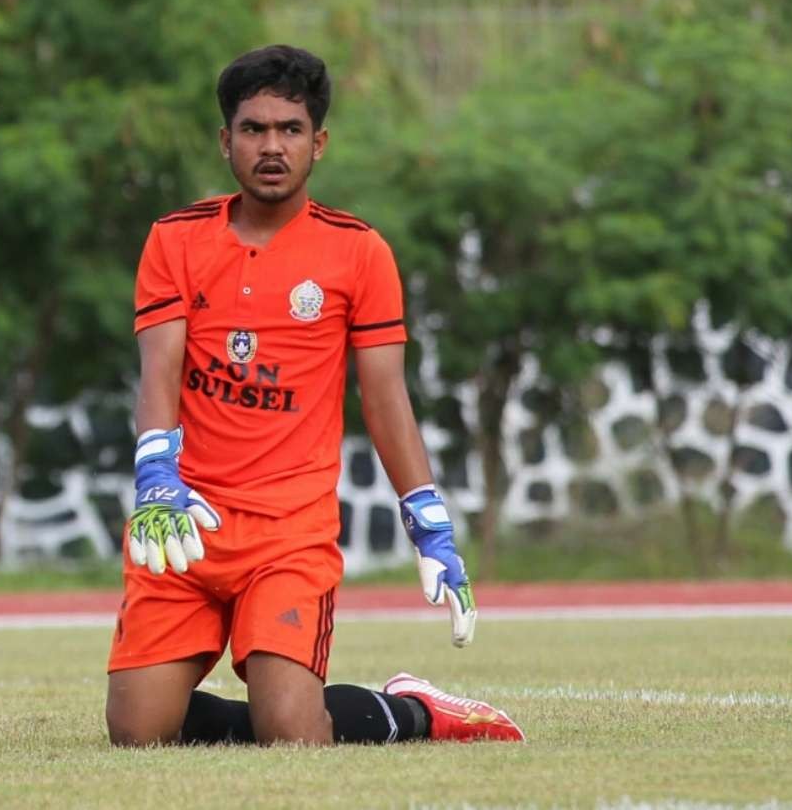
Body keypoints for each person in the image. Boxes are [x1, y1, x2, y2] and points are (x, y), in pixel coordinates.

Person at [105, 44, 524, 747]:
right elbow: (160, 370)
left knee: (295, 734)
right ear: (225, 140)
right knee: (137, 732)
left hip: (287, 534)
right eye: (254, 128)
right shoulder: (173, 239)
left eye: (290, 129)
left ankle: (415, 709)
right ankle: (217, 701)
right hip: (189, 521)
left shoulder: (358, 252)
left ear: (318, 143)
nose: (272, 145)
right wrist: (156, 474)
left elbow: (386, 397)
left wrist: (429, 521)